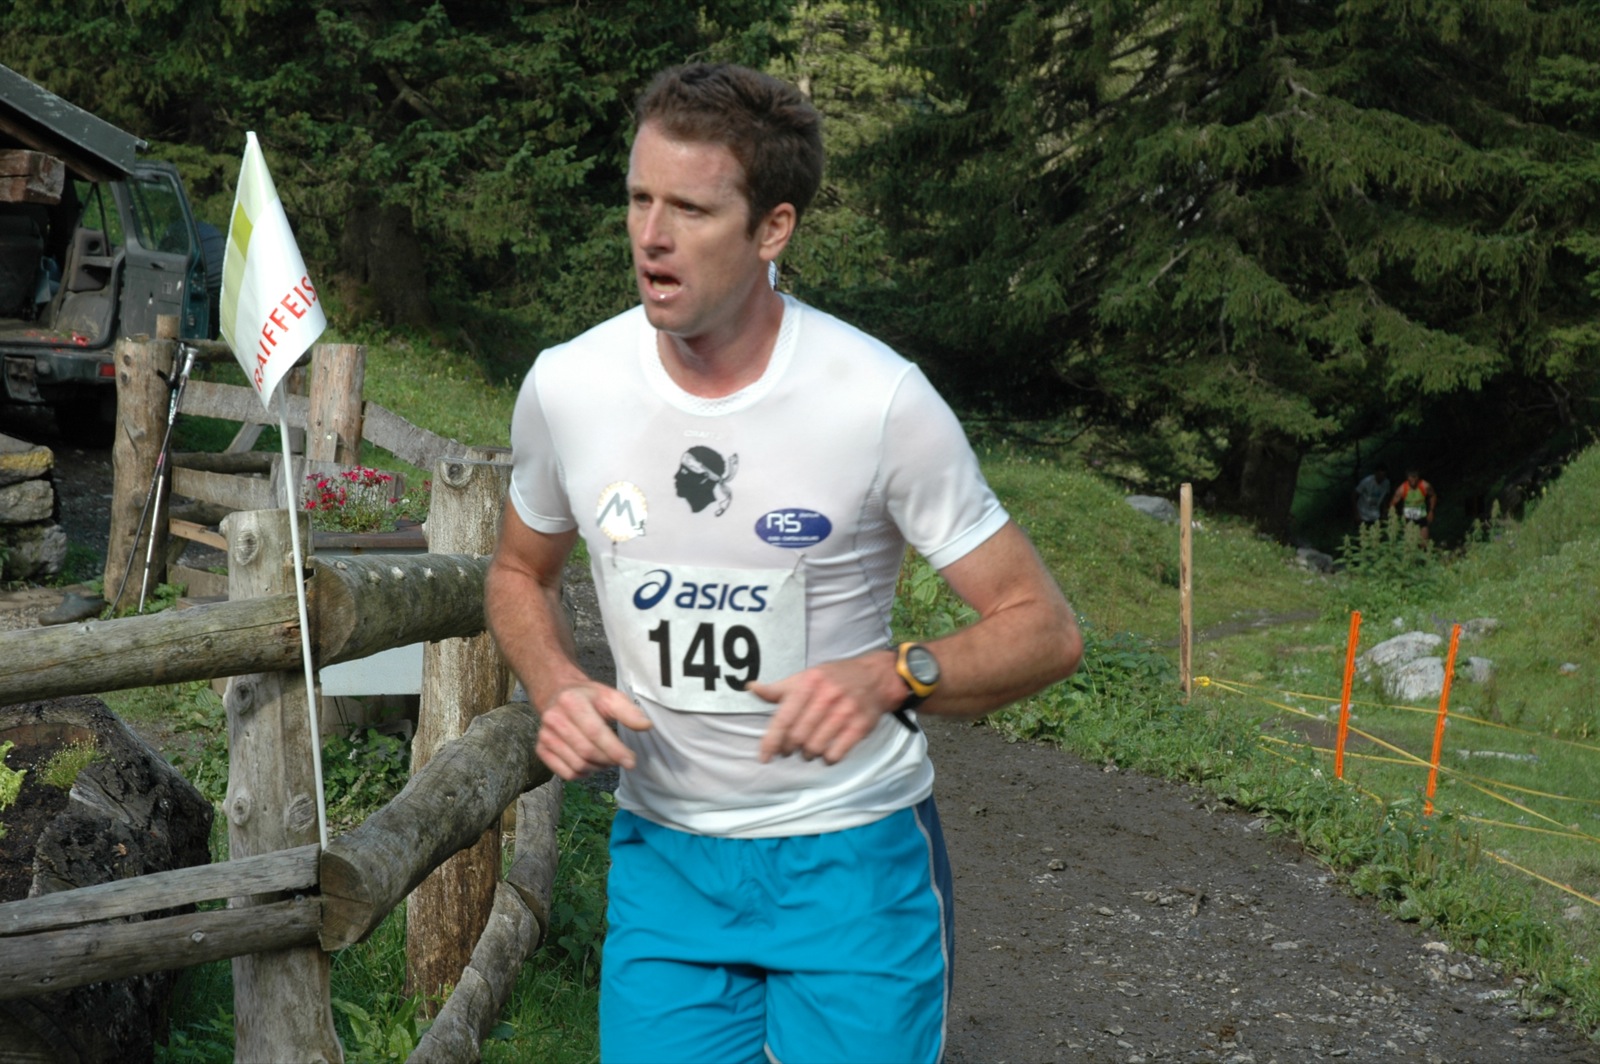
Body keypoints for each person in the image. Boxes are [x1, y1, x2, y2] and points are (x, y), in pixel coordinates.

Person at [485, 62, 1082, 1064]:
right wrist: (556, 683)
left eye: (691, 209)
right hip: (666, 862)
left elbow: (1044, 628)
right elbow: (517, 572)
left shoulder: (877, 400)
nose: (651, 235)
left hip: (849, 859)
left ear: (772, 229)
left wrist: (895, 674)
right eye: (638, 198)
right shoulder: (568, 387)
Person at [1389, 468, 1437, 543]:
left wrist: (1431, 511)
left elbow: (1433, 496)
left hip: (1421, 517)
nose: (1413, 481)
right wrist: (1394, 517)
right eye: (1411, 478)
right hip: (1408, 519)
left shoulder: (1425, 486)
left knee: (1424, 543)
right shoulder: (1402, 488)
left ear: (1418, 477)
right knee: (1410, 543)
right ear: (1407, 478)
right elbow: (1393, 503)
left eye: (1415, 478)